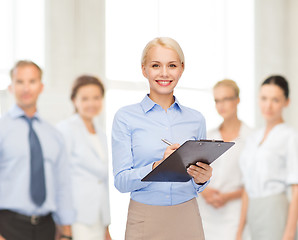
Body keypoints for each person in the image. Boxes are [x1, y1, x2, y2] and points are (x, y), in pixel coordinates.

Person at [112, 37, 212, 240]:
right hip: (145, 218)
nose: (164, 73)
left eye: (172, 65)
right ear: (144, 69)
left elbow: (196, 182)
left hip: (187, 216)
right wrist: (157, 166)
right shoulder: (125, 118)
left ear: (181, 69)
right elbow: (121, 182)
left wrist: (203, 178)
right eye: (156, 65)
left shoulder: (196, 119)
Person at [0, 60, 75, 240]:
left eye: (32, 81)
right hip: (8, 226)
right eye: (20, 82)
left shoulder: (53, 134)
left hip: (47, 228)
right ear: (11, 87)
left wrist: (66, 232)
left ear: (41, 86)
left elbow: (62, 185)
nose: (26, 88)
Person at [236, 75, 298, 240]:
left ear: (286, 102)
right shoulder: (253, 138)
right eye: (264, 98)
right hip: (253, 212)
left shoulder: (290, 136)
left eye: (275, 100)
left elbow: (296, 188)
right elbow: (246, 188)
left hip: (275, 210)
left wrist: (290, 233)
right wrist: (239, 231)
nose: (268, 105)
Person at [57, 75, 111, 240]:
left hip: (98, 218)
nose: (91, 104)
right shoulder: (65, 129)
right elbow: (60, 179)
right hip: (77, 218)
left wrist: (106, 225)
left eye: (96, 98)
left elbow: (103, 180)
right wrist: (65, 225)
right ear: (74, 100)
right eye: (85, 98)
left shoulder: (101, 133)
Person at [197, 79, 251, 240]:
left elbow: (252, 184)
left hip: (233, 214)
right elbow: (195, 171)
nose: (221, 105)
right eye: (217, 100)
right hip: (205, 212)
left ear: (237, 100)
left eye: (226, 99)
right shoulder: (208, 136)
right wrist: (204, 191)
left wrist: (227, 196)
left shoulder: (251, 138)